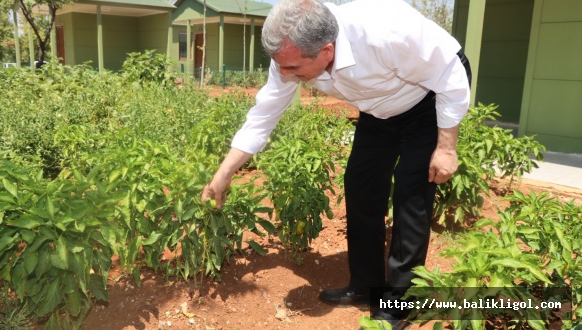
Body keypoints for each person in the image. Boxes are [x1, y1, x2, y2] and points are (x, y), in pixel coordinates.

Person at [201, 0, 472, 328]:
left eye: (294, 69)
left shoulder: (386, 32)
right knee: (361, 185)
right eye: (282, 67)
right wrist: (224, 172)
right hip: (377, 109)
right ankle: (365, 286)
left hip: (428, 99)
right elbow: (264, 114)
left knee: (410, 194)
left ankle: (400, 301)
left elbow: (451, 72)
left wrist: (446, 147)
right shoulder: (291, 53)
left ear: (327, 51)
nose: (286, 76)